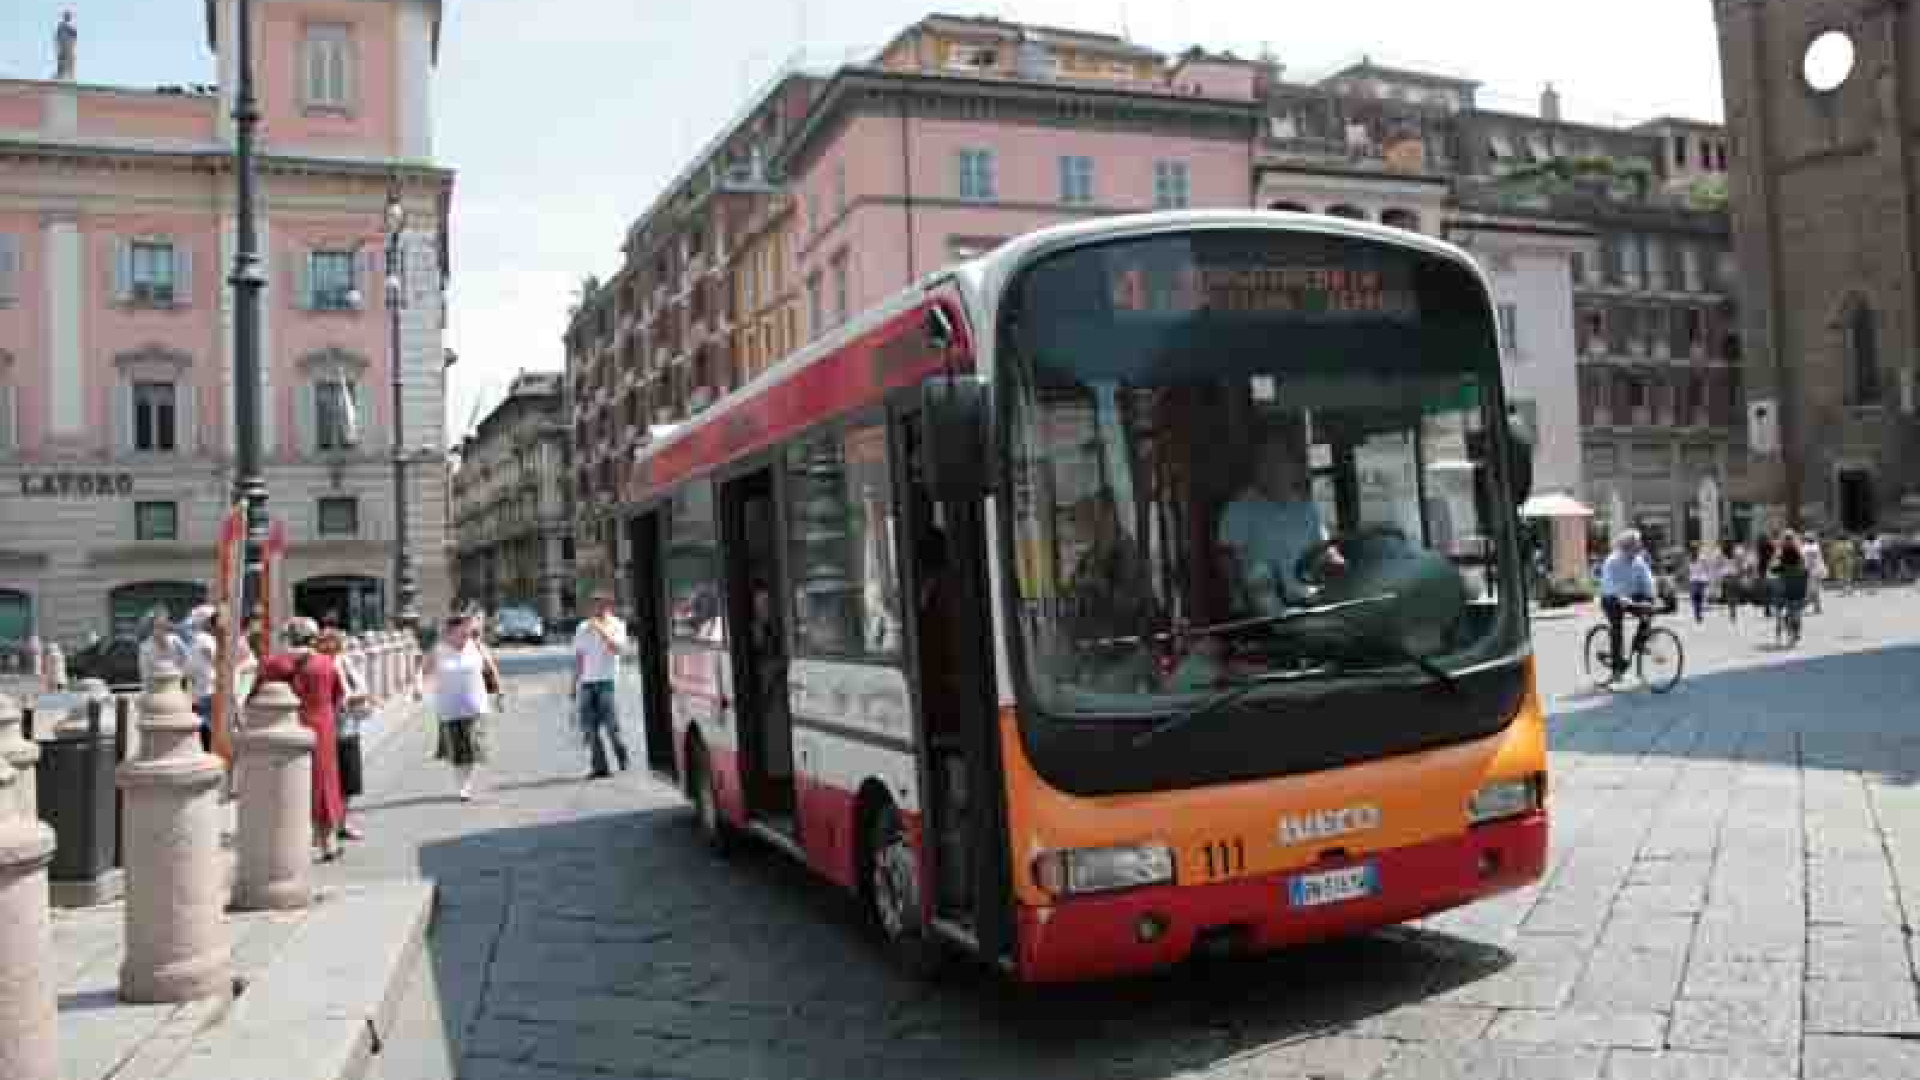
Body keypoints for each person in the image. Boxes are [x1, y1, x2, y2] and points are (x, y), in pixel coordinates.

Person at [1219, 426, 1344, 612]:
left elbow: (1325, 551)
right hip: (1265, 612)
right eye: (1266, 460)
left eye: (1280, 459)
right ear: (1256, 468)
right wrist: (1239, 600)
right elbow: (1228, 562)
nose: (1273, 467)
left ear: (1293, 466)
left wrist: (1338, 563)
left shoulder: (1306, 508)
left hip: (1311, 603)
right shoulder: (1239, 510)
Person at [254, 618, 347, 861]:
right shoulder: (325, 663)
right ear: (312, 638)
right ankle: (327, 843)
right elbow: (338, 697)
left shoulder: (274, 663)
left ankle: (289, 845)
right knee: (324, 783)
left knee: (284, 784)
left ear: (289, 637)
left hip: (284, 727)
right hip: (322, 728)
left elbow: (255, 694)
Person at [417, 613, 497, 801]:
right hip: (449, 708)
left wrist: (499, 690)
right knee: (457, 750)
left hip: (475, 706)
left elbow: (491, 667)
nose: (468, 631)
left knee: (472, 746)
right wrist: (418, 687)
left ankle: (466, 784)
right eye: (465, 628)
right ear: (452, 630)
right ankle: (461, 784)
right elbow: (422, 670)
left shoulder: (477, 646)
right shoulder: (439, 650)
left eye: (469, 628)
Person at [317, 630, 370, 842]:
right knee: (329, 781)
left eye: (334, 643)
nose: (330, 647)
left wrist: (349, 698)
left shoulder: (344, 662)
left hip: (347, 727)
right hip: (325, 730)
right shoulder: (317, 665)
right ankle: (327, 827)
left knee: (348, 780)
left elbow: (363, 688)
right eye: (325, 643)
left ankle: (341, 823)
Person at [573, 591, 631, 779]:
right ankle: (600, 767)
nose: (595, 609)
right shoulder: (583, 627)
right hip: (587, 683)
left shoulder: (617, 625)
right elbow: (579, 657)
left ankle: (621, 754)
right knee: (589, 729)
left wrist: (600, 630)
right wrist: (573, 684)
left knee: (612, 728)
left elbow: (617, 649)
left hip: (607, 682)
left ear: (608, 606)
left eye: (599, 605)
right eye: (593, 605)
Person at [1599, 530, 1658, 677]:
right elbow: (1609, 583)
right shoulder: (1612, 561)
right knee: (1617, 627)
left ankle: (1639, 642)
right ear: (1626, 547)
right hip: (1611, 598)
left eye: (1639, 546)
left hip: (1631, 596)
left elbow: (1648, 580)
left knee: (1649, 609)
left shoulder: (1639, 561)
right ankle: (1616, 668)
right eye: (1636, 546)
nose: (1639, 549)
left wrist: (1653, 596)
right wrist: (1619, 597)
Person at [182, 606, 220, 750]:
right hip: (210, 690)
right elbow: (217, 660)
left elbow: (188, 668)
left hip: (199, 691)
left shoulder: (194, 640)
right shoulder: (206, 639)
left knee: (204, 729)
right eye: (213, 620)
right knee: (210, 729)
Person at [137, 609, 189, 687]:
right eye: (158, 626)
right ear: (151, 629)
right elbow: (146, 675)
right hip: (157, 687)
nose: (162, 629)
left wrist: (184, 682)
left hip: (178, 685)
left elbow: (187, 661)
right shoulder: (145, 648)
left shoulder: (176, 640)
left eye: (164, 625)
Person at [1686, 542, 1716, 624]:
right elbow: (1688, 569)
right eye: (1692, 549)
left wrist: (1709, 578)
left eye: (1695, 549)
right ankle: (1698, 613)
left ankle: (1698, 614)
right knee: (1694, 598)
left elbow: (1708, 568)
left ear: (1697, 549)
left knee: (1698, 597)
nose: (1693, 550)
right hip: (1693, 580)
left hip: (1701, 579)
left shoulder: (1702, 558)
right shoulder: (1689, 558)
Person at [1801, 532, 1828, 614]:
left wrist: (1805, 569)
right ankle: (1818, 607)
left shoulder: (1807, 548)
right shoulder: (1816, 545)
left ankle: (1804, 606)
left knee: (1812, 590)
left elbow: (1808, 561)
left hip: (1812, 571)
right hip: (1819, 570)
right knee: (1816, 590)